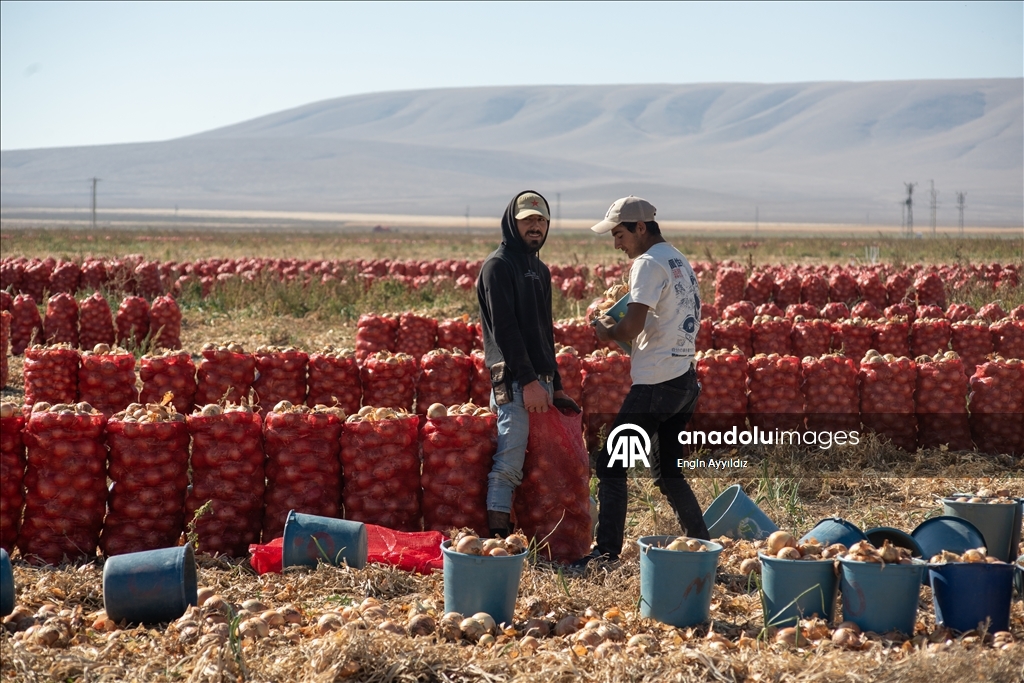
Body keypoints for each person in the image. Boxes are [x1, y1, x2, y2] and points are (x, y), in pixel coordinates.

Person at [588, 196, 708, 561]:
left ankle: (606, 552)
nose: (617, 244)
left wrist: (607, 331)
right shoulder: (678, 259)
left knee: (611, 463)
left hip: (656, 383)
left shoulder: (646, 264)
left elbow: (632, 326)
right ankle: (702, 544)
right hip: (684, 380)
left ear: (640, 228)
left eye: (620, 235)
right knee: (668, 473)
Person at [477, 190, 580, 538]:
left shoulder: (540, 270)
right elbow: (505, 332)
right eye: (527, 220)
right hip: (516, 383)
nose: (535, 226)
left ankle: (533, 537)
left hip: (541, 383)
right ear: (512, 222)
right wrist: (529, 381)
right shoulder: (498, 266)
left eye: (540, 220)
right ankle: (497, 542)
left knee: (540, 466)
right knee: (508, 464)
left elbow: (544, 333)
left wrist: (557, 384)